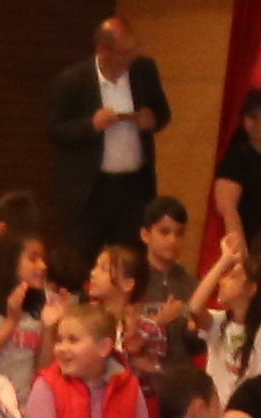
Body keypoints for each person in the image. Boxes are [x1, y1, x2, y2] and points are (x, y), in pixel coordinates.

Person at [45, 21, 174, 255]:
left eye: (135, 50)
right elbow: (55, 131)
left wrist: (152, 118)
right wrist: (90, 125)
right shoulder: (72, 81)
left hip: (133, 188)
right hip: (91, 190)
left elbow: (163, 113)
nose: (132, 59)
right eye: (125, 53)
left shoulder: (144, 71)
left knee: (129, 261)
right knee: (79, 260)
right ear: (102, 51)